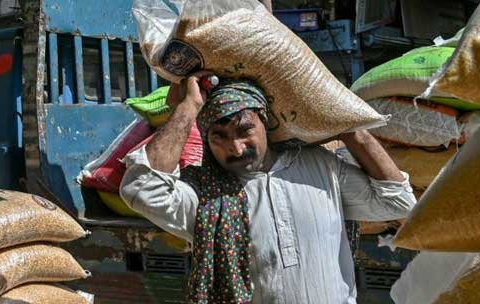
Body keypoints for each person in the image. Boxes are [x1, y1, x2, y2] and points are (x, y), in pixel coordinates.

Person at [120, 74, 416, 303]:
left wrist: (352, 130)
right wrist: (189, 107)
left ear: (265, 121)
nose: (235, 148)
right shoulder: (206, 197)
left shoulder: (321, 166)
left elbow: (397, 202)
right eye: (218, 136)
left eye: (245, 130)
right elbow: (142, 188)